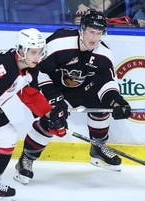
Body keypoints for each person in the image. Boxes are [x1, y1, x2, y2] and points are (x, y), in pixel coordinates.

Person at [14, 9, 131, 185]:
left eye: (99, 33)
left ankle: (98, 148)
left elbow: (107, 83)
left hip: (84, 89)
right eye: (91, 32)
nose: (94, 38)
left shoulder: (104, 54)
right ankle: (26, 158)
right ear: (81, 29)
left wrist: (117, 101)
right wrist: (55, 100)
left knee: (103, 108)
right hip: (53, 87)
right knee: (51, 119)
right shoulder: (59, 43)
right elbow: (39, 72)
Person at [0, 28, 67, 201]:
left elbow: (29, 94)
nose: (37, 57)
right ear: (21, 50)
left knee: (7, 135)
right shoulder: (1, 67)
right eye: (33, 52)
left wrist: (49, 114)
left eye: (40, 52)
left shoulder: (30, 69)